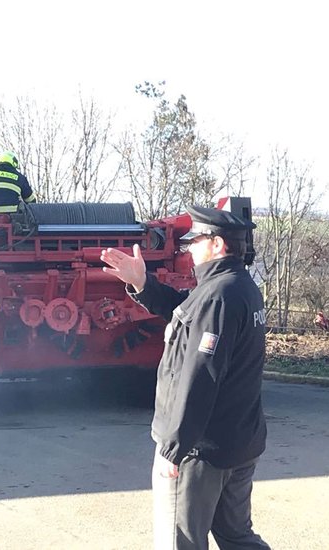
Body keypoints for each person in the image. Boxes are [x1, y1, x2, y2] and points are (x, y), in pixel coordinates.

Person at [100, 205, 270, 550]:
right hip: (237, 442)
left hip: (201, 450)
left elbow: (200, 374)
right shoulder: (238, 287)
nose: (189, 247)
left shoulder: (218, 295)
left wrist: (174, 447)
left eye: (196, 240)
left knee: (180, 542)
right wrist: (143, 283)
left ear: (218, 244)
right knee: (237, 537)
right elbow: (186, 311)